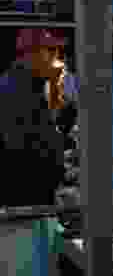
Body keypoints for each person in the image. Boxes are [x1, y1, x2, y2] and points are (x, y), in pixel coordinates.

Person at [0, 28, 66, 207]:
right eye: (51, 51)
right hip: (25, 196)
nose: (58, 59)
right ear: (30, 54)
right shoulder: (15, 89)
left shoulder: (31, 84)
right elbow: (20, 149)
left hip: (33, 191)